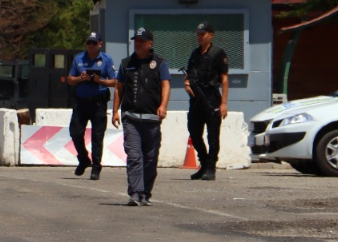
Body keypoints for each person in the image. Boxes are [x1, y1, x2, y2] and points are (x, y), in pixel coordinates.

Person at [112, 27, 171, 206]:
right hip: (131, 118)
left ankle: (145, 192)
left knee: (150, 158)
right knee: (134, 156)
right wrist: (115, 111)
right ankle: (135, 193)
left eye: (141, 41)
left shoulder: (160, 63)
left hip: (151, 119)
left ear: (150, 43)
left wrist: (163, 106)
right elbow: (119, 88)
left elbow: (166, 85)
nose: (137, 44)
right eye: (136, 41)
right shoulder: (126, 64)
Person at [65, 32, 118, 180]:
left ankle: (96, 166)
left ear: (100, 44)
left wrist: (100, 81)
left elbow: (114, 81)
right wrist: (80, 78)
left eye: (94, 43)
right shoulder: (79, 58)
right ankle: (83, 158)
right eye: (88, 42)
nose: (91, 46)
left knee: (97, 136)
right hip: (81, 102)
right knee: (75, 132)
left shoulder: (106, 59)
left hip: (98, 103)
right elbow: (70, 79)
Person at [184, 21, 229, 181]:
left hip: (212, 98)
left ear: (211, 35)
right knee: (194, 132)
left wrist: (223, 103)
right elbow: (188, 75)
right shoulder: (195, 54)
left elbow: (224, 79)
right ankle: (204, 163)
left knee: (213, 136)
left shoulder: (218, 54)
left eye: (203, 34)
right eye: (198, 34)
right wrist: (186, 83)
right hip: (196, 99)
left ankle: (211, 167)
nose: (200, 37)